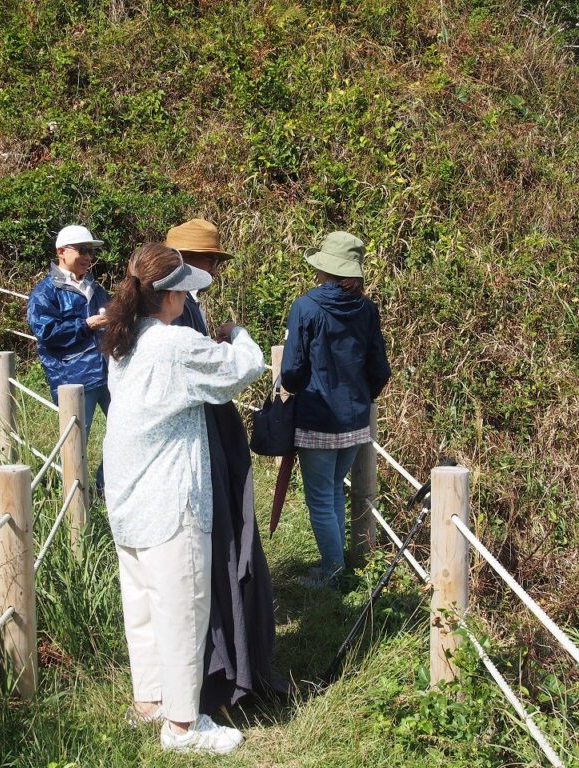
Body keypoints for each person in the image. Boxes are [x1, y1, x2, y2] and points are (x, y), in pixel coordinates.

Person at [99, 243, 266, 754]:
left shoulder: (124, 339)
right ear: (172, 298)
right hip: (171, 499)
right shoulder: (172, 346)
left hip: (129, 495)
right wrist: (237, 335)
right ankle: (183, 726)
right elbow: (244, 368)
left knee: (144, 606)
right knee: (182, 610)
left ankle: (149, 702)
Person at [164, 218, 284, 713]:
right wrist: (236, 337)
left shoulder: (185, 305)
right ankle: (221, 667)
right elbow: (238, 368)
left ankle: (232, 658)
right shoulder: (176, 312)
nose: (214, 268)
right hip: (205, 435)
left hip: (212, 431)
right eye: (208, 260)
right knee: (225, 542)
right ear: (186, 263)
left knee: (232, 537)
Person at [280, 231, 391, 587]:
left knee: (321, 499)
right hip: (355, 419)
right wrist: (360, 396)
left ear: (323, 268)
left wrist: (291, 389)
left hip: (317, 417)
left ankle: (331, 570)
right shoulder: (367, 309)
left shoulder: (307, 307)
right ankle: (337, 562)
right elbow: (380, 369)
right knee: (332, 492)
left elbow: (293, 368)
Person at [27, 224, 111, 492]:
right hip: (73, 380)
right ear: (61, 252)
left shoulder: (93, 287)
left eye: (91, 252)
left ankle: (104, 487)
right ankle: (72, 499)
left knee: (123, 432)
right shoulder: (45, 291)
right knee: (75, 442)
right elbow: (46, 331)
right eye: (82, 250)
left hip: (107, 374)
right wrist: (87, 325)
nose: (88, 256)